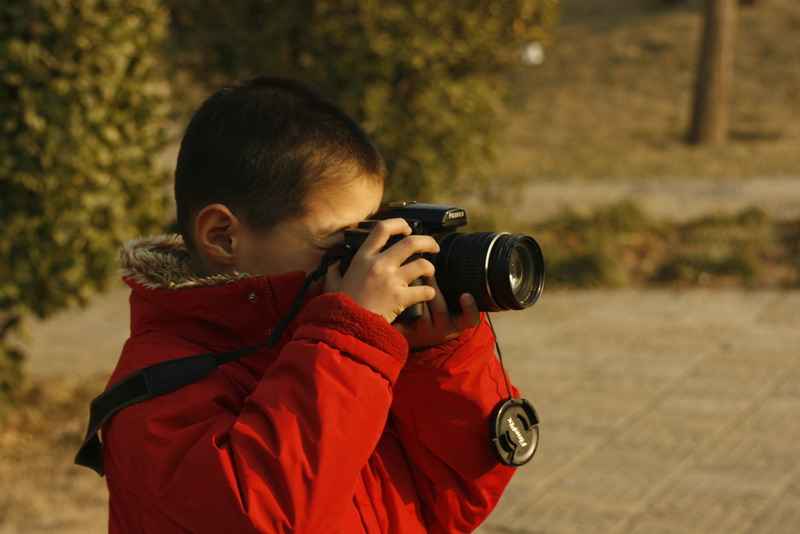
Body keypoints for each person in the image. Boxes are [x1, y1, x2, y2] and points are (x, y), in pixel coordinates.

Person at [101, 76, 519, 533]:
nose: (366, 259)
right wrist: (352, 336)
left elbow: (453, 503)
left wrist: (434, 362)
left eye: (371, 232)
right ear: (224, 236)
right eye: (343, 240)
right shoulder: (156, 392)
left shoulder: (339, 353)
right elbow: (264, 517)